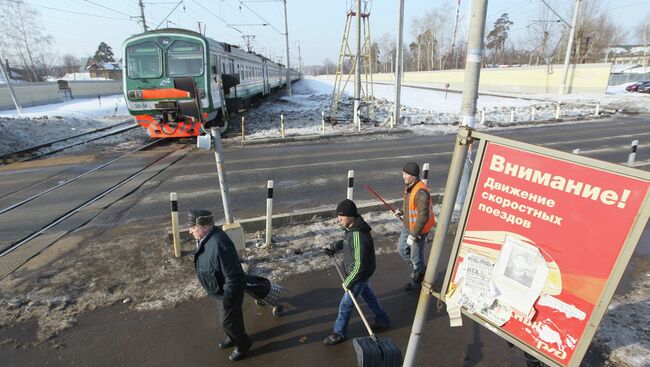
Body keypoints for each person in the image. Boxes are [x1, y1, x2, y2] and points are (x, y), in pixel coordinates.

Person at [322, 199, 391, 345]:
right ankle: (382, 320)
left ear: (351, 216)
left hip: (357, 277)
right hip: (360, 276)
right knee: (369, 297)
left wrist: (348, 282)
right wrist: (335, 246)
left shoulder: (358, 235)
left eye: (341, 216)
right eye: (338, 215)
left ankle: (339, 332)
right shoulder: (351, 230)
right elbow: (348, 243)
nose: (338, 219)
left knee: (345, 305)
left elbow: (359, 265)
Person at [189, 209, 252, 362]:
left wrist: (228, 297)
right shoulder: (206, 238)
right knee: (233, 319)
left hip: (227, 292)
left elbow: (233, 274)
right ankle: (233, 337)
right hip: (218, 289)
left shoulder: (219, 243)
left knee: (227, 322)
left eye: (193, 227)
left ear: (205, 227)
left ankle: (243, 345)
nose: (190, 231)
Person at [395, 162, 436, 292]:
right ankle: (420, 270)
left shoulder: (421, 192)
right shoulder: (409, 186)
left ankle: (417, 283)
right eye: (403, 173)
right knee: (401, 249)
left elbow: (423, 216)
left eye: (406, 174)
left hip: (419, 230)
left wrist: (413, 235)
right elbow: (409, 204)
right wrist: (401, 211)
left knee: (416, 257)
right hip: (408, 226)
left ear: (414, 176)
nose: (404, 176)